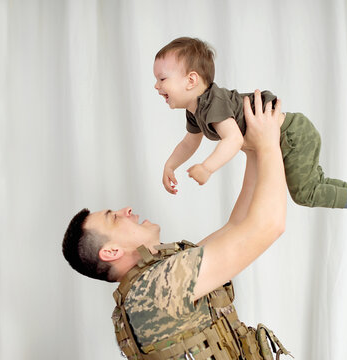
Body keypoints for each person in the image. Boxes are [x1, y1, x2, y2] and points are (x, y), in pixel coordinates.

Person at [62, 92, 291, 359]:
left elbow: (238, 225)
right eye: (114, 217)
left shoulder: (149, 287)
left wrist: (252, 149)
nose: (126, 211)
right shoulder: (159, 286)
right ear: (111, 252)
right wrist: (268, 145)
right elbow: (269, 225)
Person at [155, 37, 347, 221]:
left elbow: (233, 140)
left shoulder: (212, 103)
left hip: (291, 135)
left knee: (306, 194)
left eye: (162, 79)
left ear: (191, 80)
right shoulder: (195, 110)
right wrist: (170, 164)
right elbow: (190, 142)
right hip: (292, 134)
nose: (156, 86)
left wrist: (207, 168)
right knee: (316, 182)